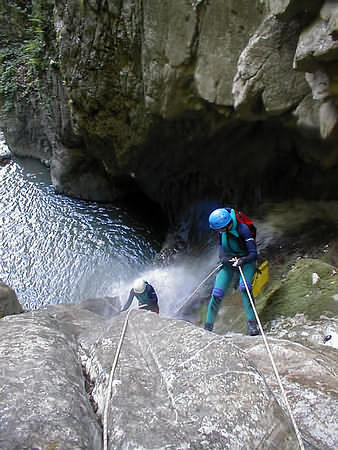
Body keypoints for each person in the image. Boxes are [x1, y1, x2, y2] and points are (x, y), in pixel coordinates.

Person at [205, 208, 259, 336]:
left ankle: (252, 323)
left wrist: (243, 260)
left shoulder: (243, 230)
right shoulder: (222, 230)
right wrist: (224, 259)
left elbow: (253, 254)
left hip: (246, 261)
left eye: (218, 229)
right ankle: (207, 327)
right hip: (230, 262)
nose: (217, 231)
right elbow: (221, 249)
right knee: (217, 293)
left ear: (225, 225)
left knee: (244, 287)